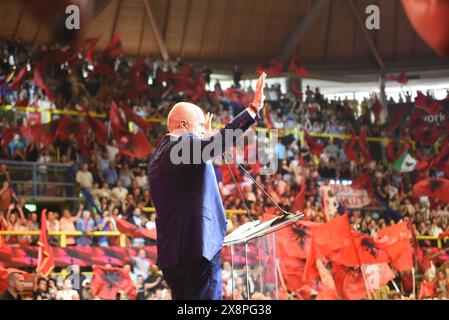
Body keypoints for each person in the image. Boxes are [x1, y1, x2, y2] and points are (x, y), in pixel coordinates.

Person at [148, 73, 266, 300]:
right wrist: (253, 108)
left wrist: (204, 141)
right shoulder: (181, 144)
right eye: (200, 124)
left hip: (174, 255)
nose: (203, 129)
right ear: (183, 125)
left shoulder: (160, 156)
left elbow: (190, 184)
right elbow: (213, 144)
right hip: (196, 251)